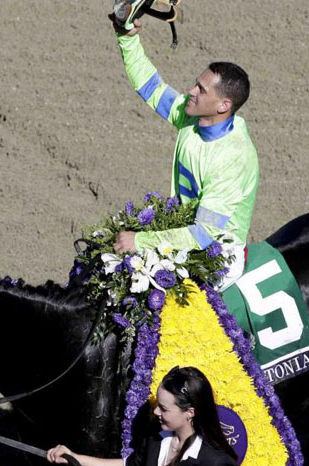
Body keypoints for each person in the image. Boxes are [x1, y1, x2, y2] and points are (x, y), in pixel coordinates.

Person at [111, 19, 259, 290]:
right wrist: (127, 38)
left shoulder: (233, 157)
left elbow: (204, 234)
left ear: (223, 105)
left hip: (216, 256)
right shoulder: (194, 118)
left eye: (201, 90)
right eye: (195, 84)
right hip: (181, 233)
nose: (191, 91)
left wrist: (140, 241)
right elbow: (151, 88)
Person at [47, 366, 246, 466]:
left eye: (164, 408)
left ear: (189, 413)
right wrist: (73, 458)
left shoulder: (216, 463)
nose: (156, 412)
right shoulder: (157, 437)